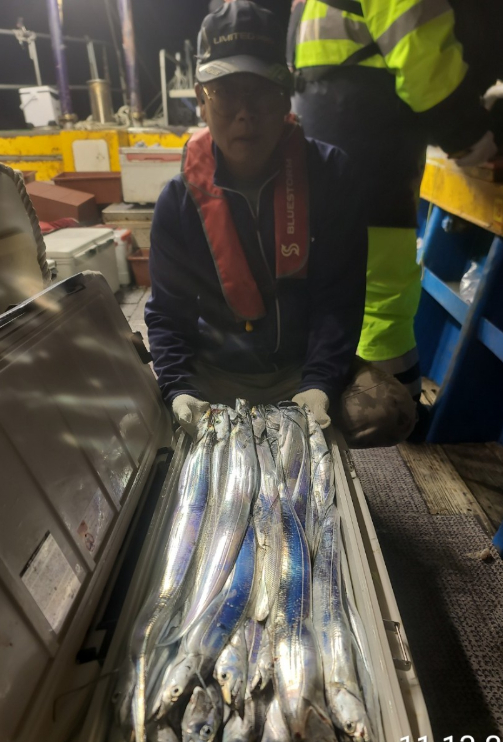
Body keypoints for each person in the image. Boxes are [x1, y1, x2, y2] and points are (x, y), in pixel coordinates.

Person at [145, 1, 402, 439]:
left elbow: (339, 301)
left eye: (261, 91)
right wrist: (179, 390)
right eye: (226, 92)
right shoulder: (178, 201)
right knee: (134, 415)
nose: (245, 112)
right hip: (214, 372)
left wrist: (319, 383)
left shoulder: (332, 175)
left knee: (386, 411)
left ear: (285, 97)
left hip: (301, 368)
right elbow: (168, 315)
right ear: (201, 101)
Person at [288, 0, 497, 445]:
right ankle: (388, 435)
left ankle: (337, 419)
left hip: (323, 170)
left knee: (336, 297)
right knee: (383, 304)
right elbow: (423, 56)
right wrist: (471, 137)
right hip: (374, 171)